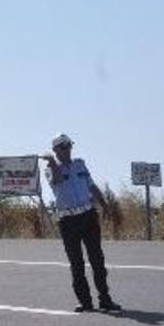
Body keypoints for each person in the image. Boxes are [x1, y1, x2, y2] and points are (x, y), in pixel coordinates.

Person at [42, 134, 122, 313]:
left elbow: (92, 186)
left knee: (97, 260)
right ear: (55, 151)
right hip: (68, 221)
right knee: (77, 263)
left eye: (69, 145)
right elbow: (57, 181)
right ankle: (85, 302)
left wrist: (105, 206)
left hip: (88, 216)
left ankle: (105, 299)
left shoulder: (80, 164)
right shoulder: (50, 169)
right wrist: (53, 163)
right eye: (63, 146)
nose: (68, 149)